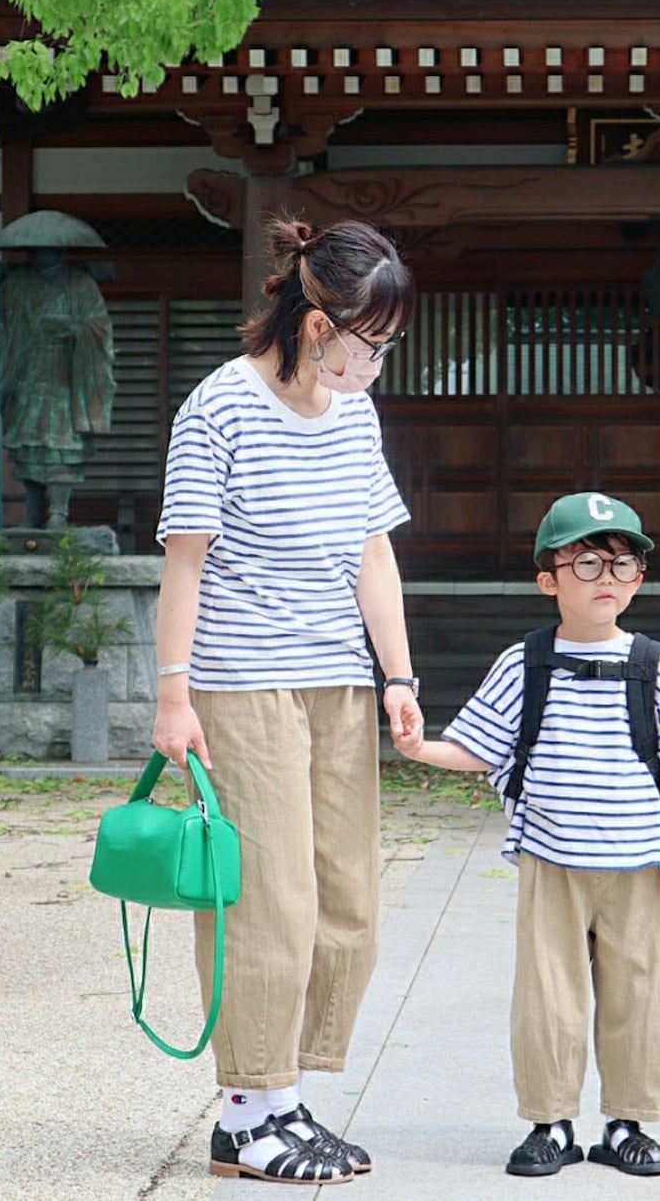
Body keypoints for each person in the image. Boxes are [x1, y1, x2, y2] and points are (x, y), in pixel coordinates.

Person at [153, 215, 423, 1186]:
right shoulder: (218, 409)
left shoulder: (354, 417)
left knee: (346, 897)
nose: (376, 367)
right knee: (268, 899)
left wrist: (397, 675)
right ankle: (246, 1109)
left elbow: (371, 551)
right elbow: (182, 563)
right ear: (317, 329)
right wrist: (172, 698)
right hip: (240, 686)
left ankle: (282, 1100)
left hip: (338, 684)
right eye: (371, 346)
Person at [394, 491, 660, 1180]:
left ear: (640, 580)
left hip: (637, 866)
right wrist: (423, 749)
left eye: (623, 565)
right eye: (589, 564)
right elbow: (481, 745)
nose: (608, 579)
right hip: (552, 861)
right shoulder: (526, 664)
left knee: (641, 993)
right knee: (547, 995)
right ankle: (552, 1122)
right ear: (549, 580)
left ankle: (628, 1122)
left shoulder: (651, 665)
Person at [0, 246, 115, 528]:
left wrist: (76, 330)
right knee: (29, 448)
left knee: (62, 448)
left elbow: (100, 327)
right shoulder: (14, 285)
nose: (44, 254)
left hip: (65, 378)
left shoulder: (81, 285)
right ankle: (33, 512)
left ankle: (59, 513)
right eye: (39, 249)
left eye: (50, 249)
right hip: (26, 374)